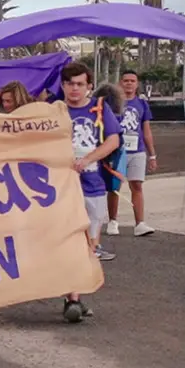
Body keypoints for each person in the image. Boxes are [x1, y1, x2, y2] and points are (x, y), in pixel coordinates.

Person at [60, 62, 121, 322]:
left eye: (80, 84)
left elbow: (113, 139)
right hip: (60, 190)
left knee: (89, 245)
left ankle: (76, 295)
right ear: (63, 85)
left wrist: (87, 160)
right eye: (70, 84)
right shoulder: (54, 111)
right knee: (67, 243)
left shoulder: (99, 109)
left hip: (92, 185)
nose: (75, 89)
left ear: (89, 86)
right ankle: (72, 298)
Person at [106, 70, 156, 237]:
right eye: (126, 80)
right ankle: (113, 221)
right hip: (117, 151)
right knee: (114, 187)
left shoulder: (142, 104)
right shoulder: (112, 103)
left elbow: (146, 130)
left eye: (132, 81)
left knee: (137, 186)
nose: (129, 83)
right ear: (121, 83)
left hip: (137, 151)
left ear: (137, 84)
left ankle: (140, 223)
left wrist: (152, 155)